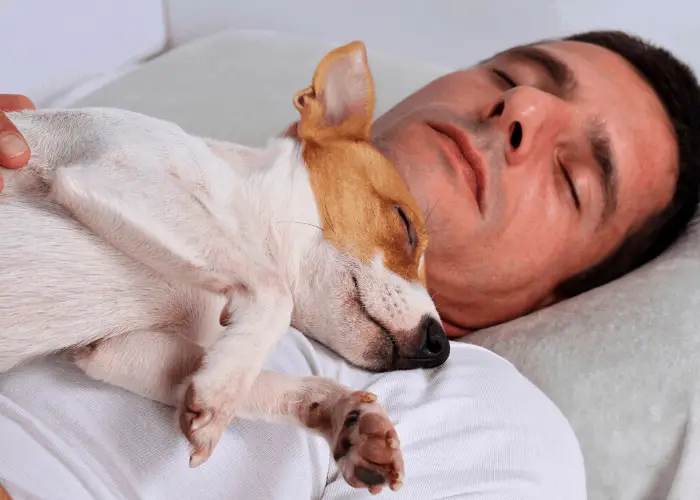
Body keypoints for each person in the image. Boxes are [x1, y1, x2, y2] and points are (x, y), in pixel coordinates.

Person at [1, 29, 698, 499]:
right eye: (509, 74)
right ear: (327, 123)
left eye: (573, 177)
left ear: (549, 300)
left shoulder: (500, 426)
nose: (524, 106)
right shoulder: (188, 178)